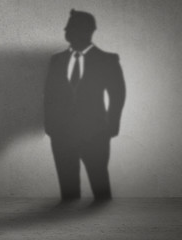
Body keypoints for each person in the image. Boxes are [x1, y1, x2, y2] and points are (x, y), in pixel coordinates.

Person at [45, 10, 126, 201]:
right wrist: (50, 127)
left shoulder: (107, 60)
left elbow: (118, 94)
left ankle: (104, 222)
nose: (65, 30)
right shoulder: (56, 60)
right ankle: (66, 228)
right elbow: (49, 95)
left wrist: (111, 126)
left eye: (71, 26)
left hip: (96, 132)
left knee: (100, 188)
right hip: (61, 134)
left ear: (87, 30)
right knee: (68, 191)